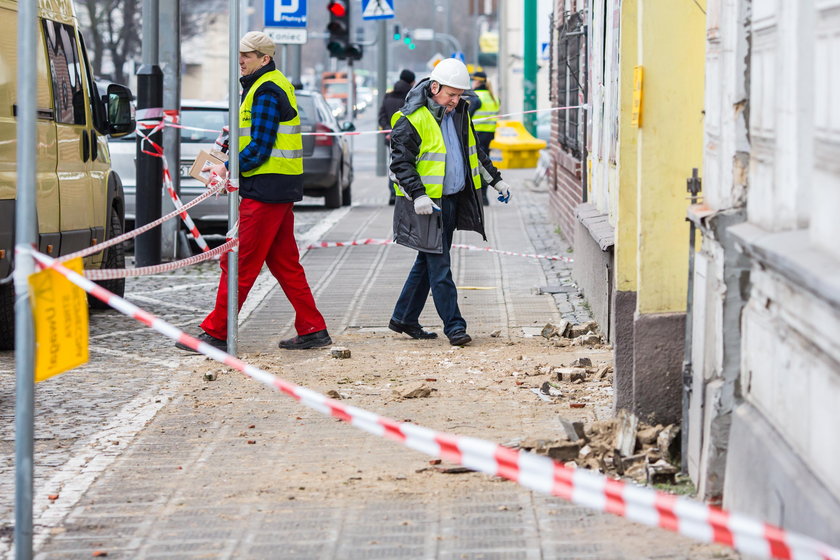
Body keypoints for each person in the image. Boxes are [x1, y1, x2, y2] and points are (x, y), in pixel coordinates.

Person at [176, 31, 331, 352]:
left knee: (237, 261)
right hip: (275, 188)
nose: (241, 60)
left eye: (247, 55)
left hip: (266, 189)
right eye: (240, 54)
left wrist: (227, 168)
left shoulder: (266, 90)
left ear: (265, 58)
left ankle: (217, 333)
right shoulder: (264, 86)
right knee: (284, 263)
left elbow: (259, 146)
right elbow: (251, 139)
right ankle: (313, 328)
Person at [388, 58, 511, 347]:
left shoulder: (460, 113)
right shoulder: (411, 118)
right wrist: (418, 195)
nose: (455, 100)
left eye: (459, 95)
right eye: (451, 94)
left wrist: (496, 180)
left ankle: (403, 317)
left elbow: (474, 152)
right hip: (428, 204)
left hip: (452, 200)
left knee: (427, 260)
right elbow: (401, 164)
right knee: (440, 265)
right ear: (434, 87)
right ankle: (455, 326)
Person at [378, 69, 415, 205]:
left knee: (393, 163)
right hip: (408, 137)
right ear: (411, 81)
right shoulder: (412, 96)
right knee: (408, 164)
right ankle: (406, 191)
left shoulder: (388, 96)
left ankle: (393, 193)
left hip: (390, 137)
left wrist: (388, 131)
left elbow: (381, 116)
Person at [470, 71, 500, 206]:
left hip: (475, 136)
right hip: (488, 136)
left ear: (476, 81)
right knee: (485, 164)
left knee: (475, 166)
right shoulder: (494, 98)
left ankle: (478, 195)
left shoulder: (476, 97)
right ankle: (484, 194)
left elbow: (466, 117)